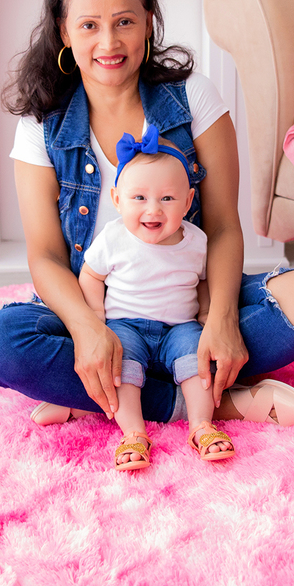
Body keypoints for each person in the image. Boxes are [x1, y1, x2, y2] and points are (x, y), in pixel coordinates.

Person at [0, 0, 294, 447]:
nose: (109, 42)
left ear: (148, 22)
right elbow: (44, 255)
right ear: (64, 33)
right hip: (101, 305)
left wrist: (221, 319)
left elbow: (224, 227)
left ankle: (102, 397)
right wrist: (86, 331)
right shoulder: (42, 125)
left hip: (190, 297)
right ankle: (211, 402)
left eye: (124, 22)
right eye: (89, 26)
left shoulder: (193, 97)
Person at [80, 128, 231, 469]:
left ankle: (201, 425)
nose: (153, 210)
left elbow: (205, 280)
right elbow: (90, 274)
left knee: (199, 359)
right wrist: (95, 318)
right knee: (120, 367)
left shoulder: (196, 241)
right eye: (139, 199)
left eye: (167, 199)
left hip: (180, 328)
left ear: (188, 202)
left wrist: (208, 312)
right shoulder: (114, 237)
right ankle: (133, 432)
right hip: (126, 325)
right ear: (117, 199)